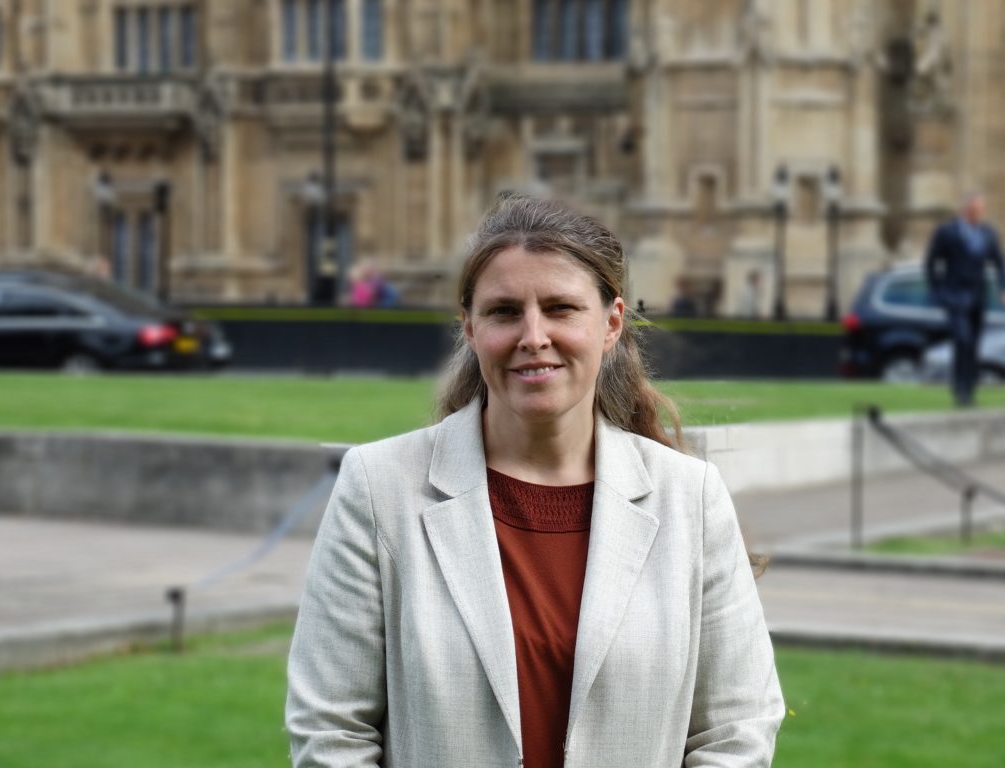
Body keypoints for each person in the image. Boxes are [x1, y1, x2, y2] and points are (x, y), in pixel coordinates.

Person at [286, 195, 784, 767]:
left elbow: (737, 730)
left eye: (560, 308)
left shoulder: (690, 497)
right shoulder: (379, 488)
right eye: (504, 311)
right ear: (470, 328)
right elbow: (330, 732)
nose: (533, 335)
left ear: (611, 324)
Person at [924, 192, 1005, 406]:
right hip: (955, 296)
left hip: (977, 297)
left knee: (974, 344)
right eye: (978, 207)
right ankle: (959, 388)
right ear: (967, 208)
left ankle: (968, 390)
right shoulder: (947, 232)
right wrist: (938, 292)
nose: (981, 211)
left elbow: (999, 263)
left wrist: (1002, 288)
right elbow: (931, 263)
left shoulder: (987, 233)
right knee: (963, 340)